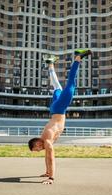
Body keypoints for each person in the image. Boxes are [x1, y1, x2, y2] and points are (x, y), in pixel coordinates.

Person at [28, 49, 92, 184]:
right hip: (54, 109)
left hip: (59, 108)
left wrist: (51, 178)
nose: (39, 150)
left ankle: (78, 58)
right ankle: (50, 64)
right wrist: (46, 171)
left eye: (36, 149)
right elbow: (46, 157)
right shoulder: (44, 139)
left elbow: (51, 158)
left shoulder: (47, 141)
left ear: (37, 143)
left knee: (71, 84)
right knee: (57, 86)